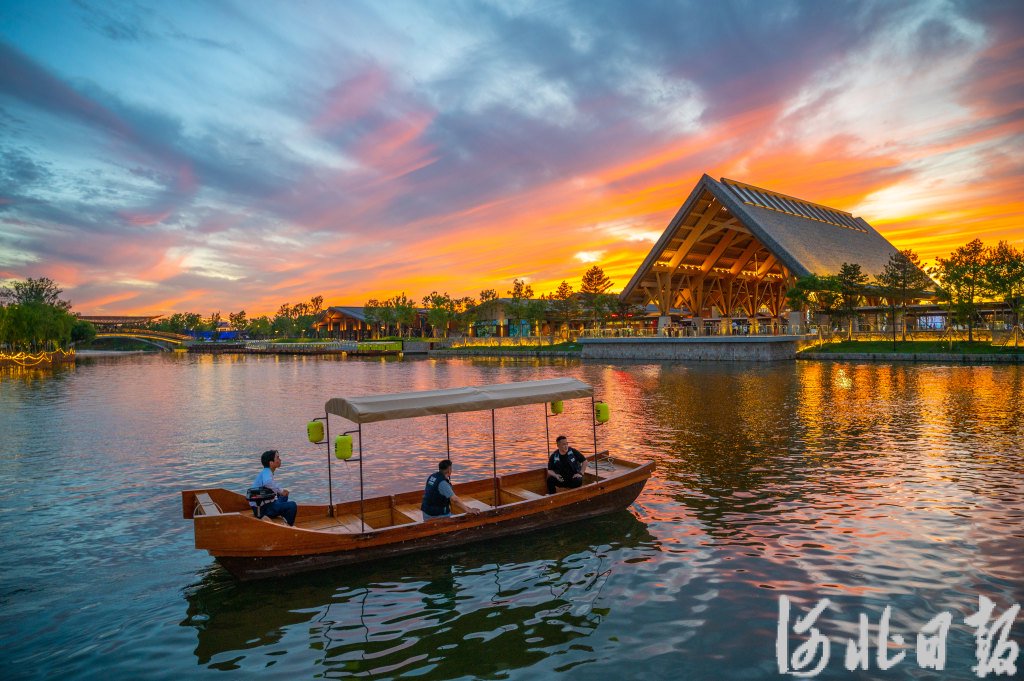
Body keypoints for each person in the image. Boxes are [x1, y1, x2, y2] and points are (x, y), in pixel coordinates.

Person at [251, 449, 298, 526]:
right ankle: (288, 527)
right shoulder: (266, 472)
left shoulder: (266, 472)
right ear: (271, 463)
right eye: (277, 458)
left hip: (267, 504)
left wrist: (281, 492)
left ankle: (282, 515)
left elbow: (270, 485)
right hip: (262, 509)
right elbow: (268, 482)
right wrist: (281, 490)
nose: (280, 460)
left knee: (284, 496)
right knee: (292, 505)